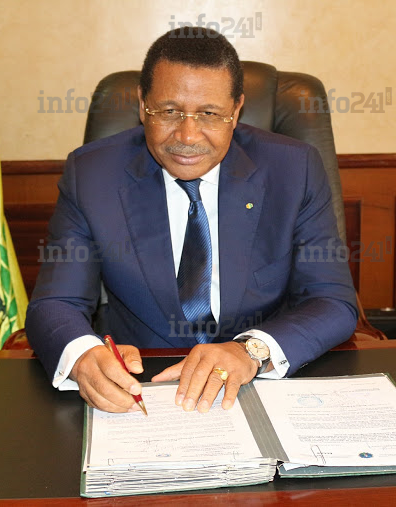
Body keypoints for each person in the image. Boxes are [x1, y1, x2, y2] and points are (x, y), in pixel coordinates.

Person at [26, 27, 358, 414]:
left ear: (236, 110)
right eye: (168, 112)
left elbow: (332, 302)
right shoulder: (93, 173)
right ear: (142, 105)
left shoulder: (293, 168)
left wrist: (251, 350)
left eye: (210, 114)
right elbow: (56, 302)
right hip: (141, 384)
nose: (187, 135)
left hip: (258, 381)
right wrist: (83, 354)